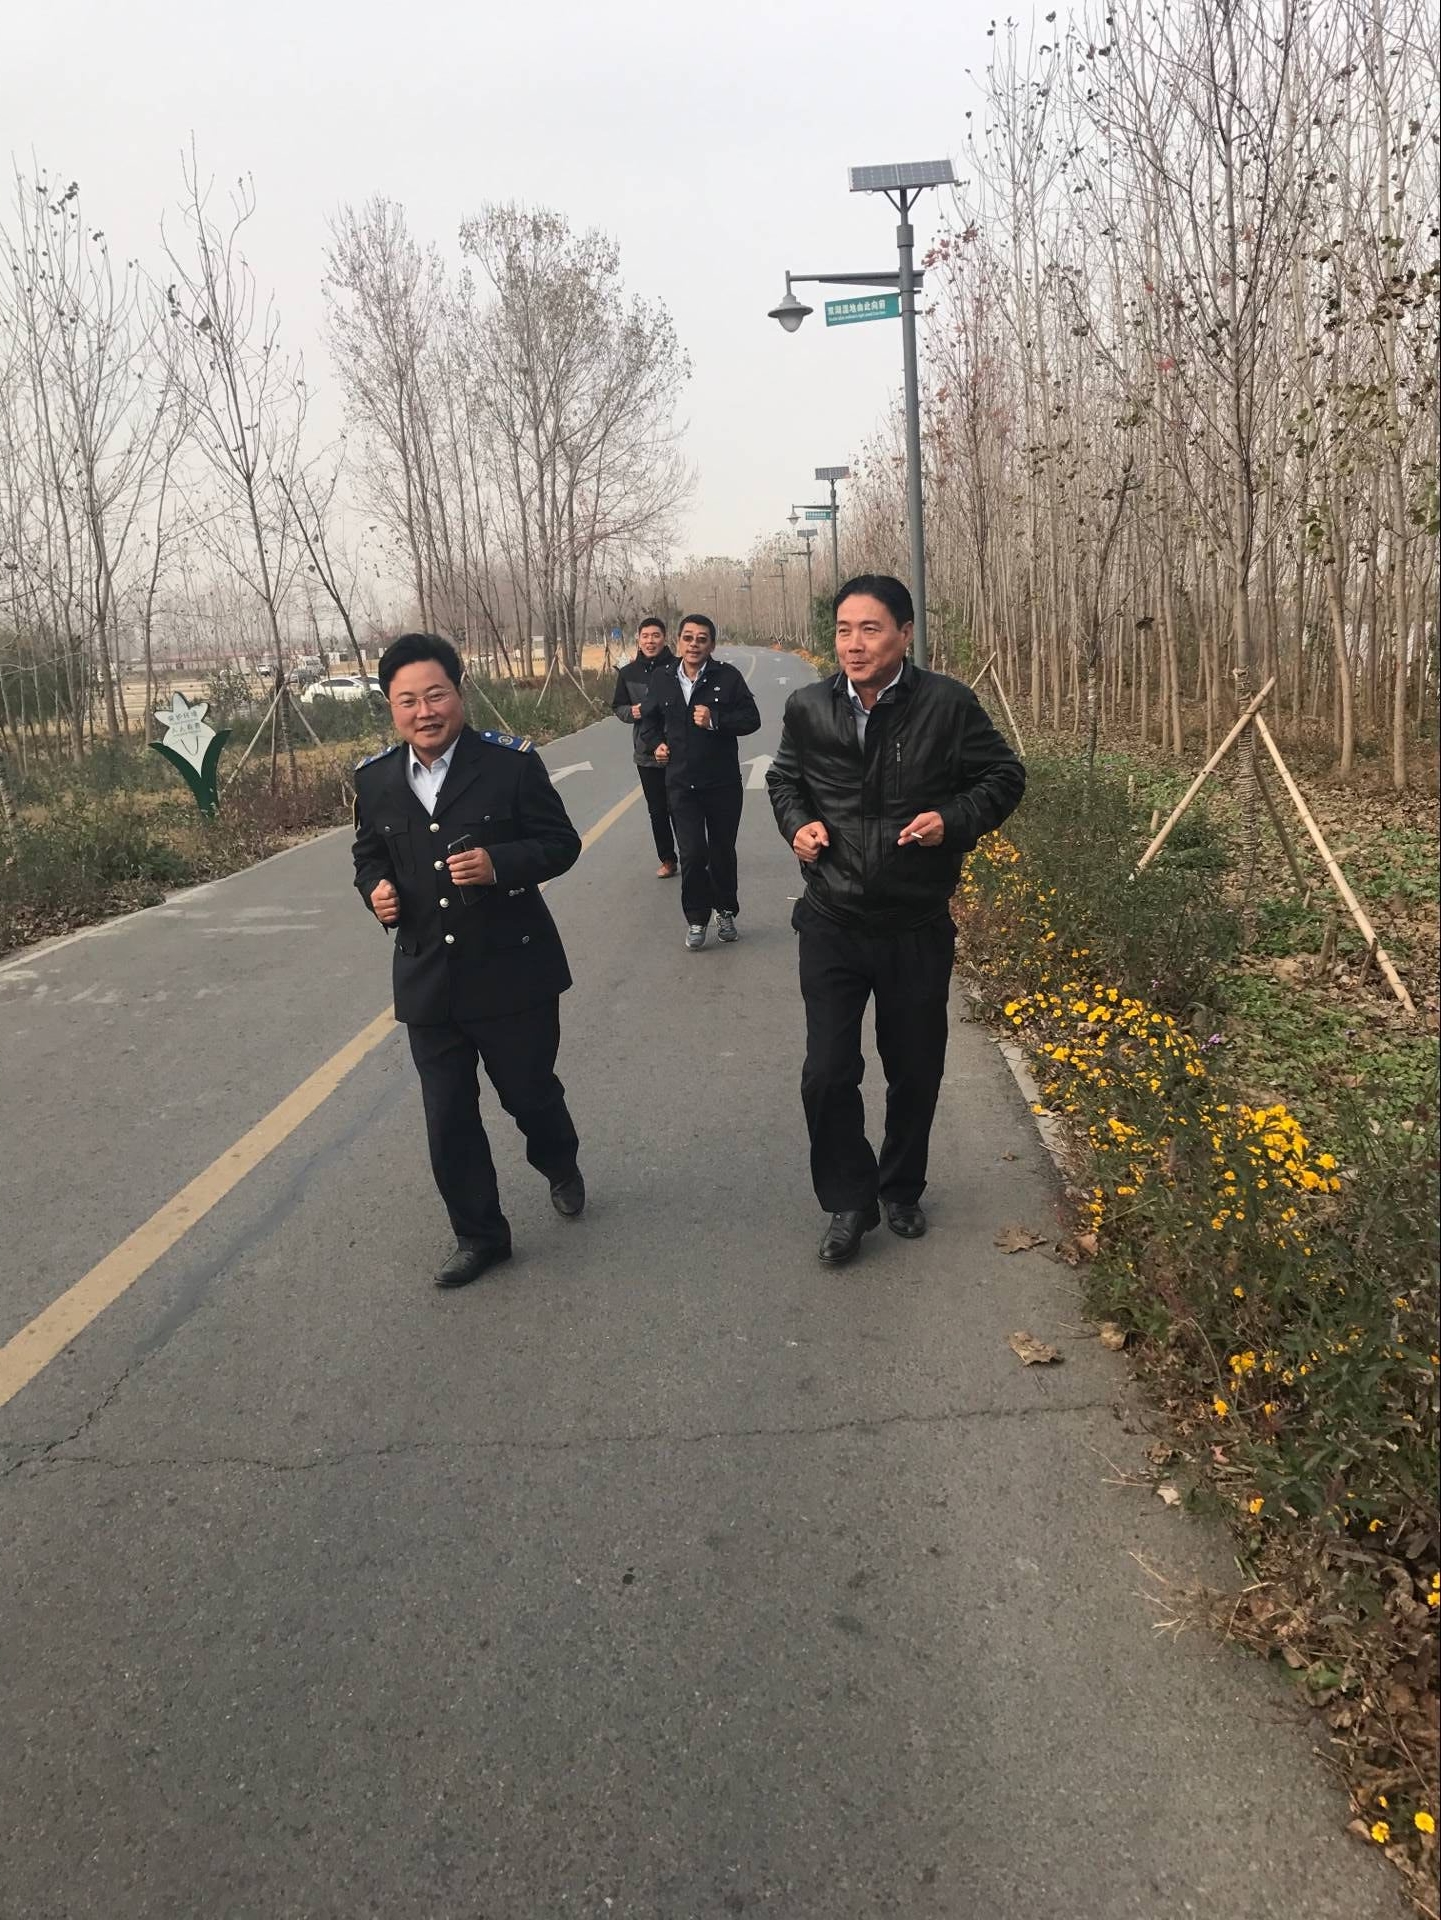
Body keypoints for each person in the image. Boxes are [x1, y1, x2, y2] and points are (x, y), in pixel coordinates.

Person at [766, 575, 1026, 1266]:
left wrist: (953, 820)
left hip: (915, 923)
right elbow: (784, 780)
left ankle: (901, 1186)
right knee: (827, 1073)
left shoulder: (947, 705)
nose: (853, 644)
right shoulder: (808, 707)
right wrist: (797, 826)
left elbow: (1003, 777)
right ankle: (849, 1201)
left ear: (905, 634)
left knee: (914, 1068)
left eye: (870, 629)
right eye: (843, 630)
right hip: (831, 918)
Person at [352, 633, 586, 1289]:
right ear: (391, 707)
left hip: (512, 972)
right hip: (428, 977)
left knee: (529, 1095)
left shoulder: (510, 766)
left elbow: (560, 844)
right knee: (448, 1115)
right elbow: (369, 856)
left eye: (436, 695)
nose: (424, 711)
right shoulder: (375, 780)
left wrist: (499, 864)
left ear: (459, 692)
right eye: (407, 700)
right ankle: (479, 1236)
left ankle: (559, 1160)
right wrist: (376, 892)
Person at [637, 612, 761, 950]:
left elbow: (751, 719)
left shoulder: (728, 677)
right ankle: (696, 918)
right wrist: (656, 744)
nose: (694, 644)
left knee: (722, 851)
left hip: (722, 784)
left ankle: (725, 911)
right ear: (678, 642)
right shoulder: (662, 678)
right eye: (688, 638)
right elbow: (648, 721)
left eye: (702, 639)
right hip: (681, 784)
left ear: (712, 645)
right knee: (692, 854)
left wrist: (715, 720)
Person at [610, 615, 679, 877]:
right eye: (646, 636)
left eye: (656, 636)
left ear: (665, 638)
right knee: (657, 810)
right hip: (646, 752)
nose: (650, 641)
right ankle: (668, 859)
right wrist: (633, 712)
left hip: (678, 748)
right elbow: (618, 706)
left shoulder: (678, 667)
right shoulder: (628, 673)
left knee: (682, 806)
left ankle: (693, 855)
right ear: (638, 639)